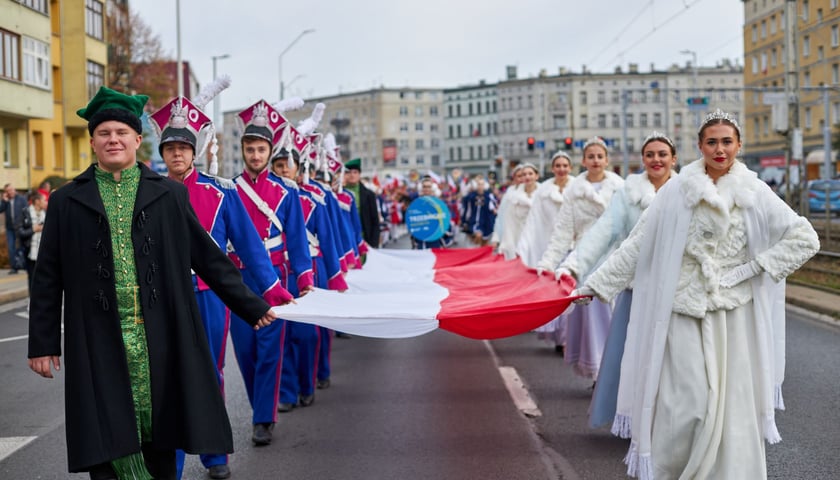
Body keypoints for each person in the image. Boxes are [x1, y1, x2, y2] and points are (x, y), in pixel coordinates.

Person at [27, 86, 278, 480]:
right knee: (107, 435)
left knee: (162, 432)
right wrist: (42, 344)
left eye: (121, 133)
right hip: (98, 338)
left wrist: (252, 304)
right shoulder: (66, 201)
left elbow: (209, 258)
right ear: (92, 141)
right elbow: (47, 277)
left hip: (158, 336)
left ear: (137, 141)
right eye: (104, 133)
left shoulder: (170, 196)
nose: (113, 139)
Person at [581, 110, 819, 479]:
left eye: (727, 141)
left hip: (733, 315)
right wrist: (596, 286)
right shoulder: (678, 190)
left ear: (739, 145)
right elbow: (638, 244)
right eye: (712, 142)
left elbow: (805, 239)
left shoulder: (755, 191)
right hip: (683, 311)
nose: (720, 149)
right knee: (686, 406)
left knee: (732, 410)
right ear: (699, 146)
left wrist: (751, 269)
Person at [149, 94, 294, 480]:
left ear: (194, 152)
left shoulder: (222, 191)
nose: (177, 154)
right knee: (167, 377)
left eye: (183, 147)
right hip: (164, 299)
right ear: (162, 152)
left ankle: (215, 456)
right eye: (170, 148)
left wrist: (272, 288)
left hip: (209, 297)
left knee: (210, 372)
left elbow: (248, 245)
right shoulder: (148, 193)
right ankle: (171, 463)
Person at [555, 132, 676, 430]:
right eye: (650, 154)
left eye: (663, 154)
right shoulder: (628, 194)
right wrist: (573, 266)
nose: (656, 159)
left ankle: (673, 421)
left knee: (675, 360)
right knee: (635, 356)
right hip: (639, 288)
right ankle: (637, 420)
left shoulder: (688, 190)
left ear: (674, 159)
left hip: (680, 288)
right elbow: (603, 232)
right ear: (642, 160)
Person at [230, 100, 315, 446]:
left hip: (274, 279)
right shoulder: (229, 189)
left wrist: (305, 278)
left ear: (269, 150)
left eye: (260, 149)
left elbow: (297, 240)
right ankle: (258, 406)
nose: (254, 154)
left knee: (269, 349)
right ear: (243, 151)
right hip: (237, 280)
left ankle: (263, 418)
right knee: (246, 351)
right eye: (249, 149)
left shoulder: (286, 191)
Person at [536, 137, 624, 381]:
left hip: (615, 260)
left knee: (618, 319)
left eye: (600, 156)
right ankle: (599, 374)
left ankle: (618, 372)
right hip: (586, 262)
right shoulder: (575, 193)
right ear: (583, 161)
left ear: (607, 160)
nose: (596, 161)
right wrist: (548, 263)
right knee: (596, 321)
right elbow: (563, 231)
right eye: (591, 156)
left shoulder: (621, 189)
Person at [271, 145, 347, 412]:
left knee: (307, 334)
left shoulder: (314, 199)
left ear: (297, 169)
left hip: (310, 267)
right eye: (278, 166)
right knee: (283, 334)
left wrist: (336, 273)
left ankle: (309, 382)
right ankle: (287, 393)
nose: (283, 170)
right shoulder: (270, 197)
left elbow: (328, 237)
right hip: (278, 270)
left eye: (286, 166)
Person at [516, 152, 575, 353]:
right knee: (555, 295)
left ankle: (569, 339)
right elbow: (534, 222)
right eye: (557, 165)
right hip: (551, 249)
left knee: (572, 294)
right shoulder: (544, 192)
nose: (561, 169)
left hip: (575, 248)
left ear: (571, 167)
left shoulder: (578, 188)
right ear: (552, 169)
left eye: (565, 165)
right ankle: (559, 337)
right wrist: (523, 248)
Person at [495, 163, 539, 260]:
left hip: (539, 242)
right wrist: (502, 240)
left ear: (536, 176)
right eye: (523, 175)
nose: (527, 177)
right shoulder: (512, 197)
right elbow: (506, 221)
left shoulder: (544, 194)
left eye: (530, 174)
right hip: (519, 240)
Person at [343, 158, 380, 249]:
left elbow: (375, 220)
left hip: (364, 239)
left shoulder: (368, 195)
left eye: (355, 172)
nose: (352, 175)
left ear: (360, 174)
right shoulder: (338, 193)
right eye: (349, 172)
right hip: (344, 238)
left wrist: (373, 243)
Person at [410, 177, 455, 249]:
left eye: (429, 187)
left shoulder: (440, 205)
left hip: (436, 244)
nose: (426, 189)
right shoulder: (416, 205)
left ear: (433, 188)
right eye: (424, 187)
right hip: (420, 244)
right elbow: (412, 223)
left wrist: (444, 241)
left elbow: (448, 225)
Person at [14, 191, 47, 291]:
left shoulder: (45, 214)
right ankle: (32, 302)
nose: (46, 202)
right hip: (30, 252)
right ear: (37, 201)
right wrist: (33, 230)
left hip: (43, 252)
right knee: (32, 278)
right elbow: (19, 232)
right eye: (44, 200)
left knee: (44, 279)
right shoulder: (25, 212)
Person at [0, 183, 27, 273]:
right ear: (6, 192)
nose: (10, 192)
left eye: (11, 190)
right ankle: (14, 267)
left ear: (15, 189)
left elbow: (26, 211)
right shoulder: (6, 201)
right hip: (10, 228)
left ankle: (25, 265)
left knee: (22, 246)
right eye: (8, 191)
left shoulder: (22, 199)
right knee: (11, 248)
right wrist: (4, 201)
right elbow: (0, 210)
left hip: (20, 227)